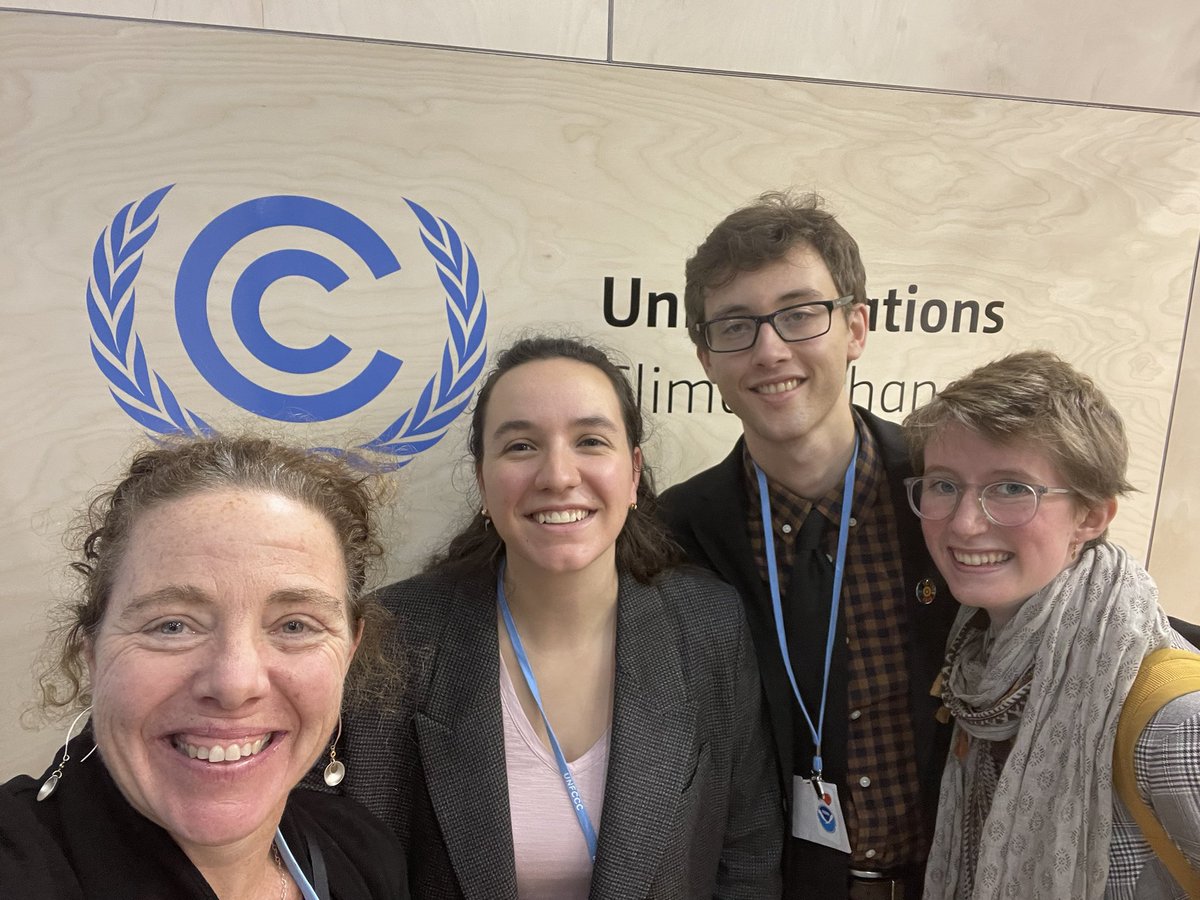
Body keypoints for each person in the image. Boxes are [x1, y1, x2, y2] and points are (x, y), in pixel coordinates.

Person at [332, 335, 782, 899]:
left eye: (591, 440)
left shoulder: (708, 625)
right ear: (482, 480)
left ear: (634, 471)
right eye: (521, 446)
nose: (558, 475)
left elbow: (748, 857)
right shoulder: (396, 637)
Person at [659, 190, 958, 898]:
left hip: (954, 878)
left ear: (856, 327)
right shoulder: (676, 534)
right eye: (736, 325)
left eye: (799, 314)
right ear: (705, 356)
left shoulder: (946, 494)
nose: (770, 350)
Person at [0, 435, 407, 900]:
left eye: (295, 625)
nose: (235, 684)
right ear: (92, 651)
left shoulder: (361, 850)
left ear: (348, 653)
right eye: (172, 626)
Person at [903, 350, 1200, 899]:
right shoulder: (978, 665)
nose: (965, 524)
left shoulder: (1175, 724)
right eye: (944, 484)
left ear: (1091, 516)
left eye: (1013, 488)